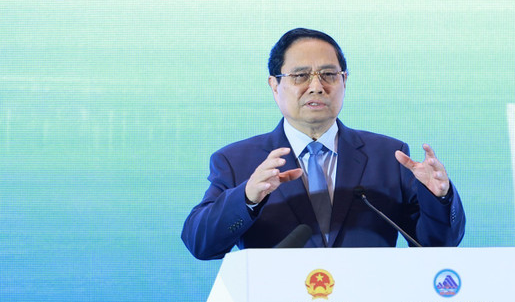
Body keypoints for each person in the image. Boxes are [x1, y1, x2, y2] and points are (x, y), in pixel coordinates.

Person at [181, 28, 466, 259]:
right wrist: (247, 197)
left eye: (329, 75)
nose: (317, 87)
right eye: (300, 76)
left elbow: (438, 247)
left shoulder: (387, 156)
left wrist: (439, 198)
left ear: (345, 81)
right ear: (275, 85)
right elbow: (200, 244)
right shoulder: (237, 161)